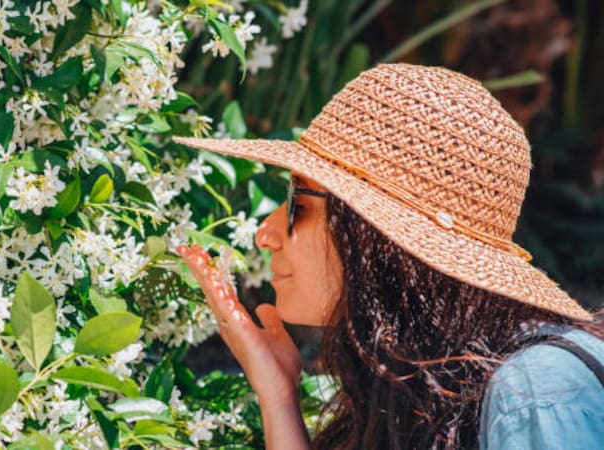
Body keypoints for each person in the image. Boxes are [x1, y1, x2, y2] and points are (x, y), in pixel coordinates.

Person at [173, 64, 604, 449]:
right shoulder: (410, 382)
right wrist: (278, 395)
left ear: (375, 236)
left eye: (297, 204)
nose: (265, 234)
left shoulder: (536, 394)